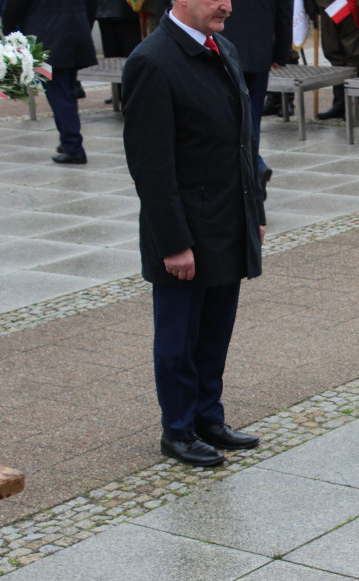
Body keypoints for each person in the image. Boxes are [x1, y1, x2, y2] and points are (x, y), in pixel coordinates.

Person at [122, 0, 265, 467]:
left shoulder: (222, 46)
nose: (227, 4)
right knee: (179, 339)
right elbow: (151, 165)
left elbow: (243, 141)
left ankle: (209, 417)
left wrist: (254, 210)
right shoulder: (152, 61)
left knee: (215, 333)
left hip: (227, 219)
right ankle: (178, 429)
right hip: (185, 229)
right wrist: (173, 242)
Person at [3, 0, 98, 164]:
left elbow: (14, 8)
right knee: (68, 92)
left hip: (48, 37)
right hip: (75, 32)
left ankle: (73, 146)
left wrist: (9, 33)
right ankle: (67, 140)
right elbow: (92, 5)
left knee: (60, 95)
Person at [220, 0, 293, 195]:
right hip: (259, 50)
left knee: (228, 118)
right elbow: (285, 13)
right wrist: (281, 52)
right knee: (251, 118)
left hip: (225, 47)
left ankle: (252, 171)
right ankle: (253, 172)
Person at [315, 0, 359, 120]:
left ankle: (352, 106)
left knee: (354, 55)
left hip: (352, 6)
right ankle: (339, 104)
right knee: (333, 52)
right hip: (327, 5)